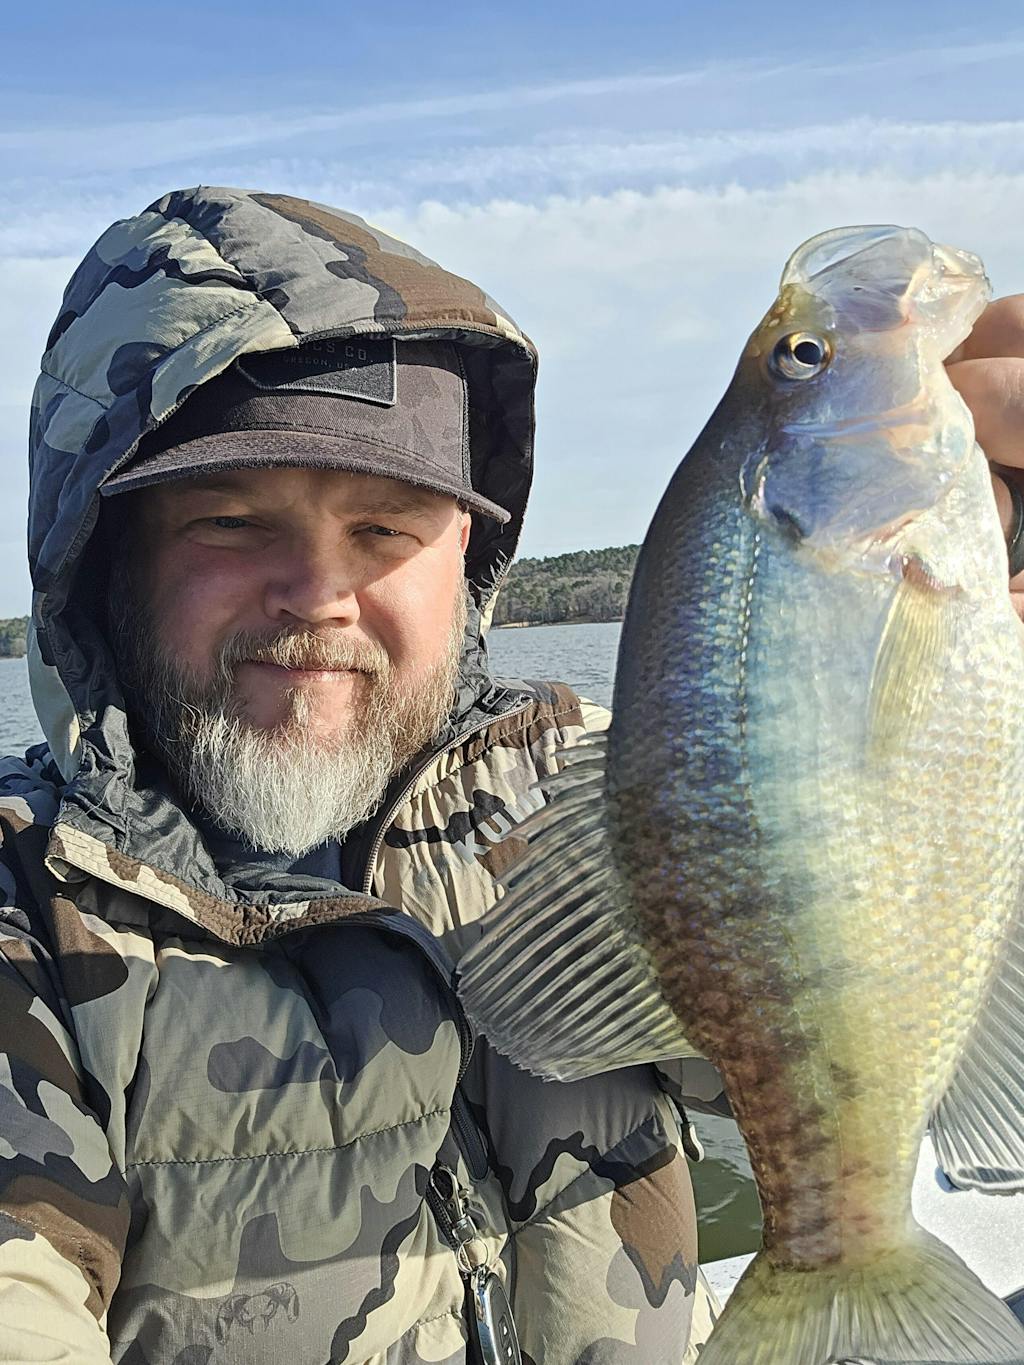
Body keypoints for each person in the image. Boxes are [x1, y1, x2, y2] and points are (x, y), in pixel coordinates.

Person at [0, 188, 1021, 1365]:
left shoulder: (591, 782)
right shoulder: (28, 927)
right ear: (103, 562)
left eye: (385, 530)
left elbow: (826, 969)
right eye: (229, 522)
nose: (317, 596)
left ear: (467, 562)